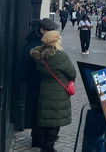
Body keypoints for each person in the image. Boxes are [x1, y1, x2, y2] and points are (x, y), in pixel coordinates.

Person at [30, 30, 76, 152]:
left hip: (44, 90)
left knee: (45, 120)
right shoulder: (60, 56)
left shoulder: (38, 55)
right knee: (55, 123)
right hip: (58, 93)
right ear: (55, 41)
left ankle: (44, 147)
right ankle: (48, 148)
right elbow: (72, 73)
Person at [21, 18, 59, 148]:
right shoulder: (35, 45)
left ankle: (37, 138)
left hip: (39, 82)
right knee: (38, 111)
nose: (53, 33)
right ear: (42, 30)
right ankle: (39, 139)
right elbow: (26, 66)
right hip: (37, 82)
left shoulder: (40, 42)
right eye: (50, 31)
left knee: (37, 111)